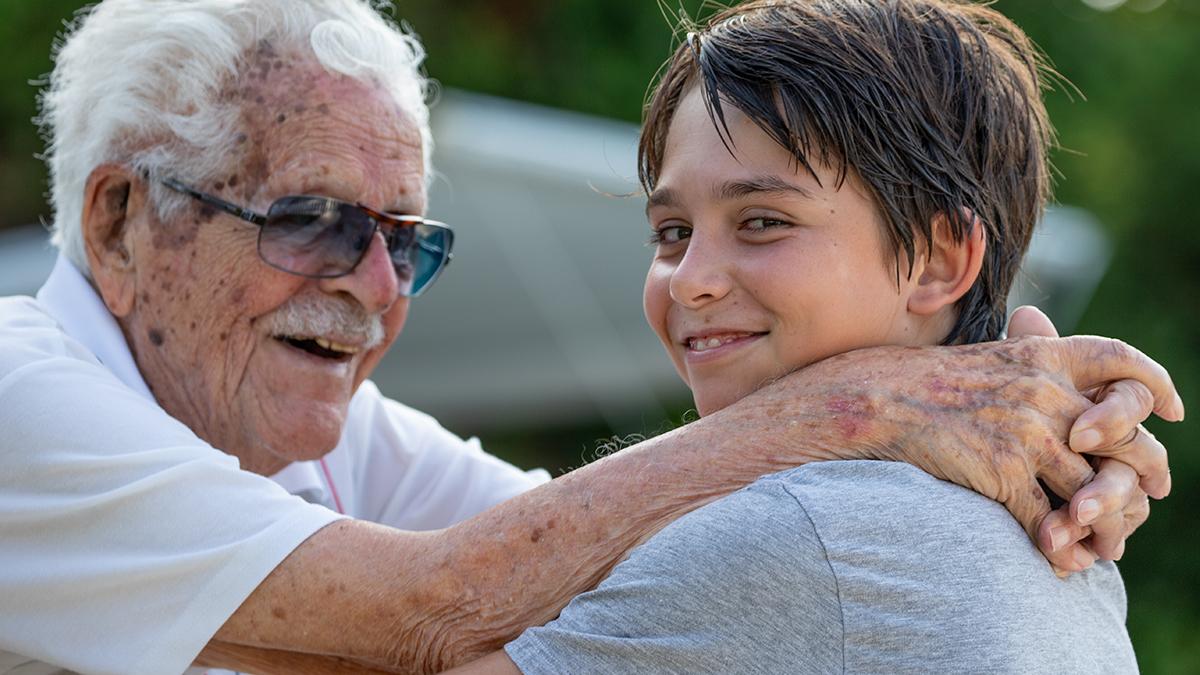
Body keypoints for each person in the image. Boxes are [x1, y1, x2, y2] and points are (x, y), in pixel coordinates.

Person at [0, 1, 1180, 674]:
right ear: (118, 218)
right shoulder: (16, 390)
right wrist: (865, 410)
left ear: (941, 258)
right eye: (310, 222)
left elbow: (576, 551)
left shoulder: (816, 529)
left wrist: (1042, 437)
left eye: (401, 237)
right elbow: (444, 598)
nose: (375, 289)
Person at [435, 1, 1174, 672]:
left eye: (762, 221)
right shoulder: (1046, 533)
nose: (690, 279)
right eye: (672, 232)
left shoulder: (804, 531)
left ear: (941, 261)